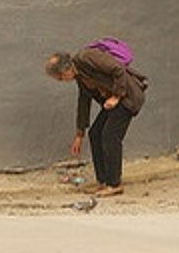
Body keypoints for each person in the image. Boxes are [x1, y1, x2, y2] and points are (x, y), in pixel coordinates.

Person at [45, 45, 147, 197]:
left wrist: (117, 96)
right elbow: (83, 103)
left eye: (60, 78)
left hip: (127, 98)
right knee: (95, 133)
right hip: (113, 102)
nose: (61, 81)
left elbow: (118, 69)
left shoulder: (87, 57)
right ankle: (103, 181)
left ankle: (114, 184)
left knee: (110, 136)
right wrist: (80, 134)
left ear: (65, 71)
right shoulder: (80, 76)